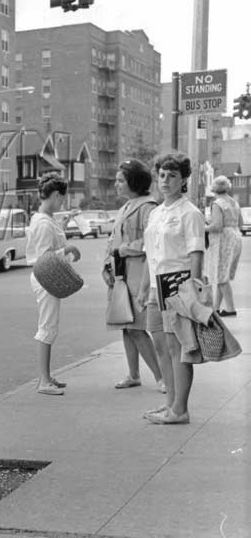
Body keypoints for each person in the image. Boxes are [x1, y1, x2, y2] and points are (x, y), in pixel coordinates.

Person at [138, 153, 205, 424]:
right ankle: (170, 405)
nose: (165, 180)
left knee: (179, 349)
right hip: (156, 287)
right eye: (162, 174)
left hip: (178, 286)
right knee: (162, 348)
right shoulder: (155, 212)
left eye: (172, 175)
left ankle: (181, 409)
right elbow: (149, 254)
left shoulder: (190, 213)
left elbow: (196, 252)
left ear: (184, 179)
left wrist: (194, 289)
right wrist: (144, 289)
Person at [102, 160, 165, 393]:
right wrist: (106, 264)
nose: (117, 184)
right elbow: (112, 241)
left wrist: (124, 249)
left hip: (138, 274)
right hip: (121, 275)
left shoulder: (148, 207)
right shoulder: (127, 206)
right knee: (126, 326)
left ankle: (162, 377)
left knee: (137, 328)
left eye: (121, 180)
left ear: (134, 182)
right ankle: (134, 373)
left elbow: (152, 242)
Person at [26, 172, 81, 396]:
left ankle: (46, 376)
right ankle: (43, 380)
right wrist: (67, 250)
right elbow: (43, 257)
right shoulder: (43, 223)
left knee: (49, 325)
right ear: (56, 195)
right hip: (45, 277)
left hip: (46, 276)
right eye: (62, 198)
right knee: (47, 326)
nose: (63, 203)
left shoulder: (45, 220)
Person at [205, 175, 243, 317]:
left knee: (221, 277)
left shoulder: (217, 203)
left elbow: (217, 226)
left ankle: (231, 308)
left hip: (224, 240)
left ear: (214, 188)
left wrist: (202, 227)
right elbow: (240, 223)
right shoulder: (234, 202)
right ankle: (216, 308)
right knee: (224, 275)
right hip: (236, 237)